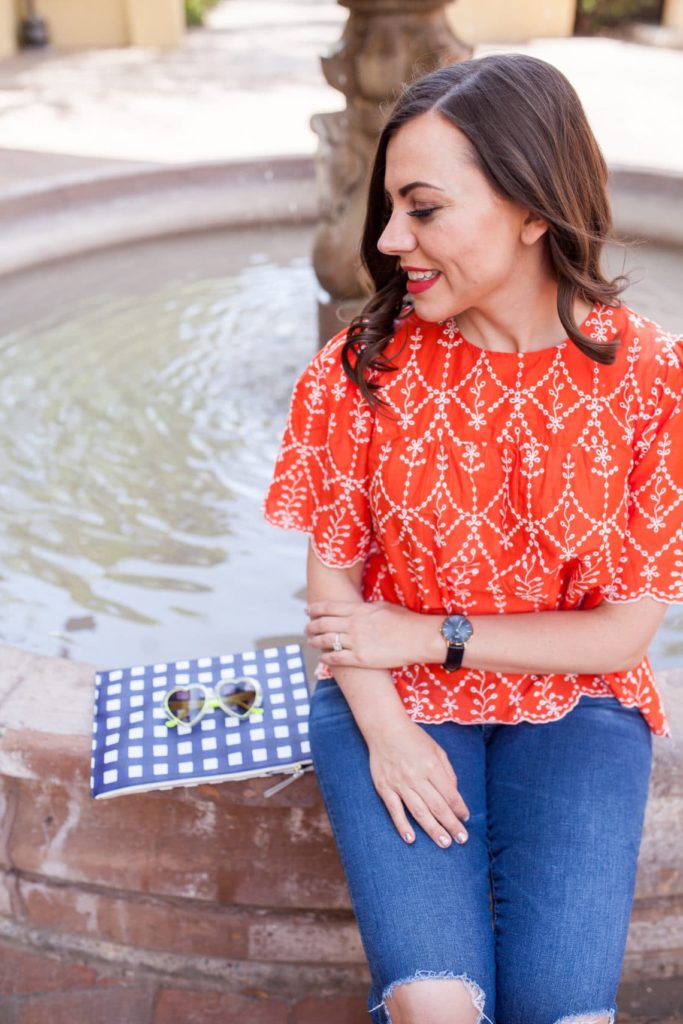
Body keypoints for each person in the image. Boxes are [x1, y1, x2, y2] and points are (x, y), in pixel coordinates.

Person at [263, 53, 682, 1024]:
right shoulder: (355, 371)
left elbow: (619, 635)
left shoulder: (651, 381)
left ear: (532, 208)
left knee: (566, 1016)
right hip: (391, 699)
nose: (386, 237)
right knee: (435, 1007)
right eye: (387, 208)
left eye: (422, 209)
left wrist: (429, 633)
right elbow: (335, 603)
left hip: (577, 705)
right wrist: (387, 729)